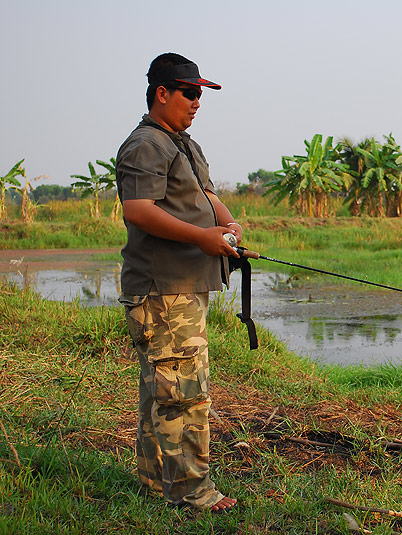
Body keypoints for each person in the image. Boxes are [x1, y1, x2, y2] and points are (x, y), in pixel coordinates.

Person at [116, 52, 240, 513]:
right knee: (183, 395)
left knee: (161, 388)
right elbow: (139, 210)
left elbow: (206, 195)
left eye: (200, 94)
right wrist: (203, 237)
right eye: (189, 92)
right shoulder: (145, 144)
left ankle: (155, 482)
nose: (196, 102)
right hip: (162, 290)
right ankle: (192, 493)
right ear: (161, 93)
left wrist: (229, 226)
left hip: (182, 287)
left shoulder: (183, 143)